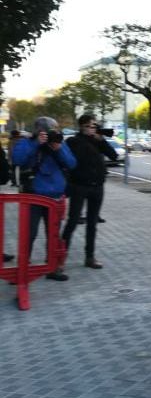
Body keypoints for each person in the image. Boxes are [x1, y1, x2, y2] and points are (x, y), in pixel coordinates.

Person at [13, 117, 76, 281]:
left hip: (54, 196)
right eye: (47, 131)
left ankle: (53, 267)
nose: (51, 134)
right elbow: (17, 159)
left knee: (53, 234)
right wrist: (36, 144)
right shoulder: (27, 142)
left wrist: (59, 148)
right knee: (29, 233)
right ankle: (23, 268)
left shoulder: (59, 144)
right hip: (32, 196)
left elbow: (72, 163)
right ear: (38, 131)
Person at [61, 114, 117, 270]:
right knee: (72, 222)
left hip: (97, 187)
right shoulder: (73, 141)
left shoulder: (98, 141)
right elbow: (70, 162)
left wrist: (102, 141)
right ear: (82, 126)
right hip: (79, 186)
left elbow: (113, 155)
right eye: (90, 126)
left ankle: (90, 257)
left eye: (95, 126)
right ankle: (60, 258)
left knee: (92, 223)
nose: (93, 128)